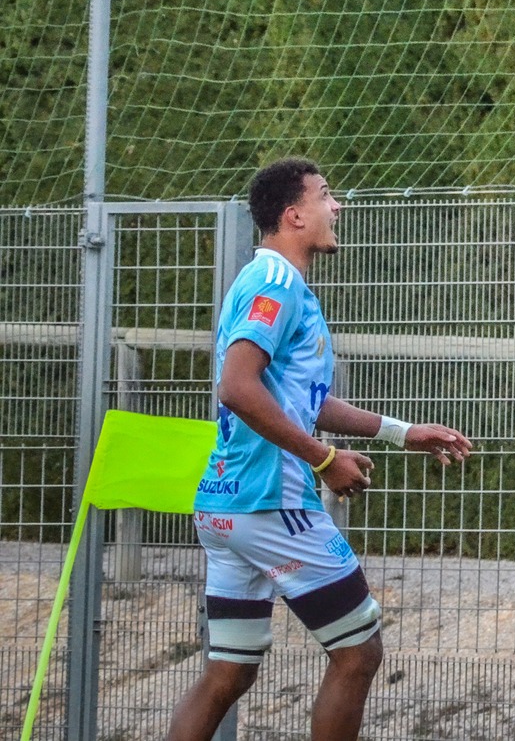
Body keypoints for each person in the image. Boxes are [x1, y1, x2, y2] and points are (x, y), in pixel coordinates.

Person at [168, 157, 473, 741]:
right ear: (294, 215)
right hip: (272, 504)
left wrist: (402, 432)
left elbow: (302, 398)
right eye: (326, 195)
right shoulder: (277, 283)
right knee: (359, 652)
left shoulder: (267, 281)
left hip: (227, 505)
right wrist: (325, 460)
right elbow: (237, 387)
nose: (337, 206)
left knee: (229, 671)